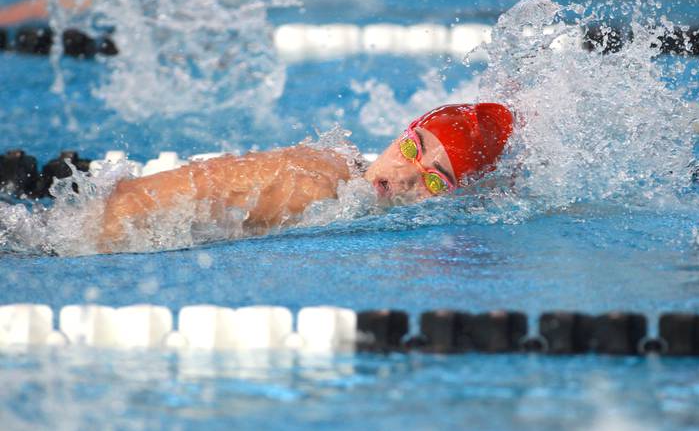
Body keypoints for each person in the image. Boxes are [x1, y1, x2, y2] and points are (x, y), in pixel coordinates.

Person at [99, 103, 514, 252]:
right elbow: (131, 201)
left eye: (435, 182)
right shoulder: (313, 184)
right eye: (411, 149)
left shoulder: (350, 195)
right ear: (400, 135)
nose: (405, 176)